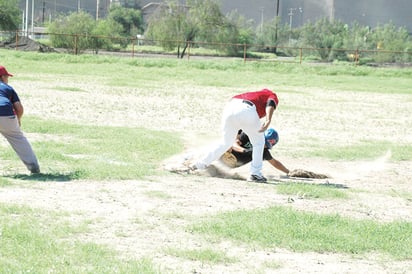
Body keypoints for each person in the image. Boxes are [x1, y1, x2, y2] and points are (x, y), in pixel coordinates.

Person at [192, 88, 278, 182]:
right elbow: (271, 102)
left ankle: (199, 165)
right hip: (247, 108)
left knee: (226, 142)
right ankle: (255, 174)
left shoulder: (250, 95)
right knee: (259, 143)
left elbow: (238, 116)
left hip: (230, 107)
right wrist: (268, 119)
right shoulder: (270, 94)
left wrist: (236, 135)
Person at [0, 65, 40, 174]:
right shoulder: (8, 88)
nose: (7, 79)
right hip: (6, 114)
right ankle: (34, 167)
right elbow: (19, 108)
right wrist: (18, 119)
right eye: (7, 77)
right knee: (17, 138)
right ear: (2, 77)